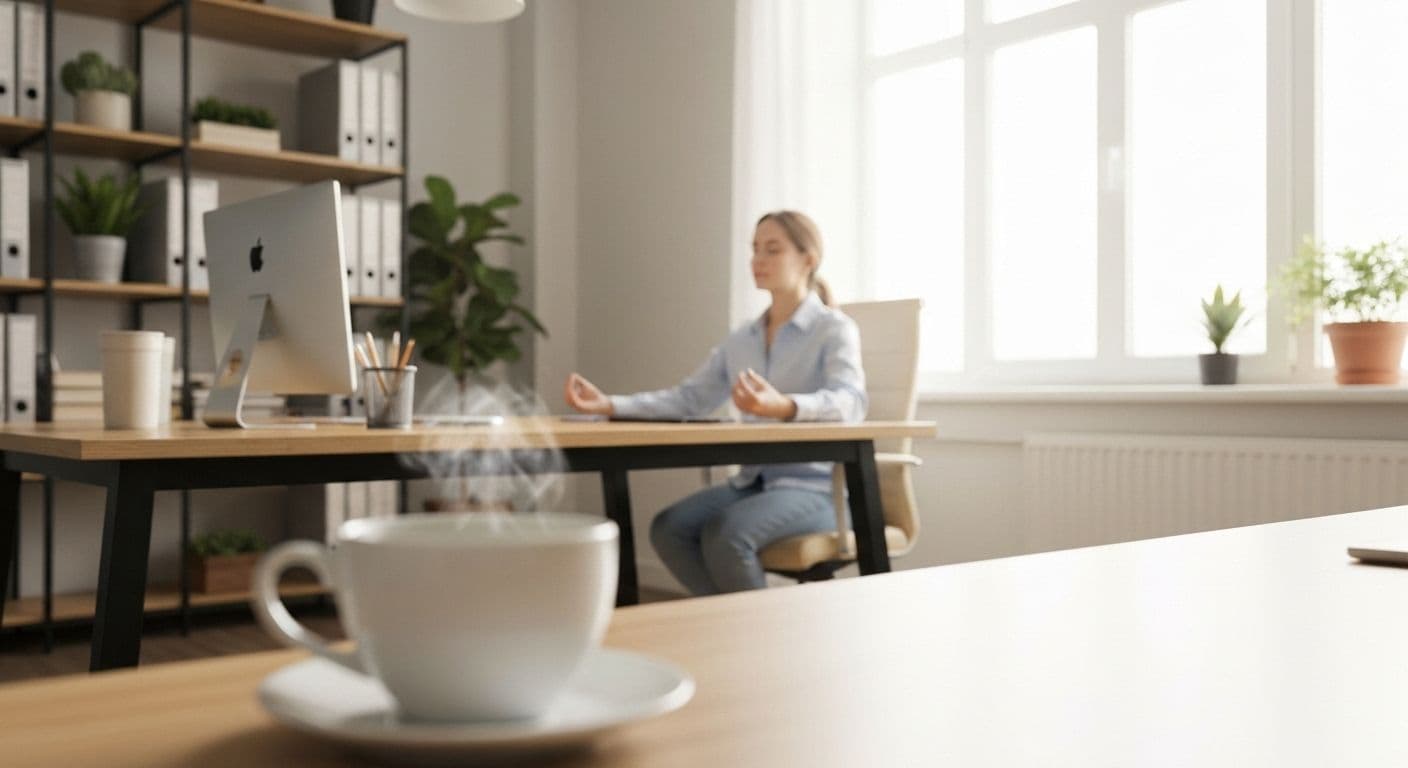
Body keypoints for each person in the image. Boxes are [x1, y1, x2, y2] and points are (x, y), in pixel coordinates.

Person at [564, 211, 867, 595]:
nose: (758, 260)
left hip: (817, 489)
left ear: (808, 259)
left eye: (772, 250)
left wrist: (785, 407)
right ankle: (740, 630)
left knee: (726, 536)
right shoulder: (743, 338)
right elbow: (690, 398)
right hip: (753, 481)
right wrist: (609, 404)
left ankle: (756, 639)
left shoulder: (834, 328)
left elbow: (851, 401)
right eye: (755, 249)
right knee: (669, 529)